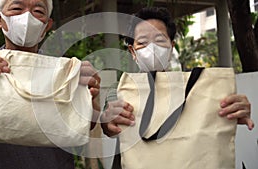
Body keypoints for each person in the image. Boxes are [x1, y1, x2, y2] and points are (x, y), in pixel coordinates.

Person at [0, 0, 100, 168]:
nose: (27, 17)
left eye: (38, 11)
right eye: (17, 8)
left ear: (47, 25)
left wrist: (91, 97)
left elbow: (86, 126)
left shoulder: (65, 72)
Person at [100, 6, 254, 144]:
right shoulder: (121, 91)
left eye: (159, 40)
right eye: (142, 42)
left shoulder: (196, 87)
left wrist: (234, 107)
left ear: (171, 47)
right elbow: (110, 129)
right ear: (132, 52)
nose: (152, 48)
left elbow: (212, 116)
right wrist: (106, 122)